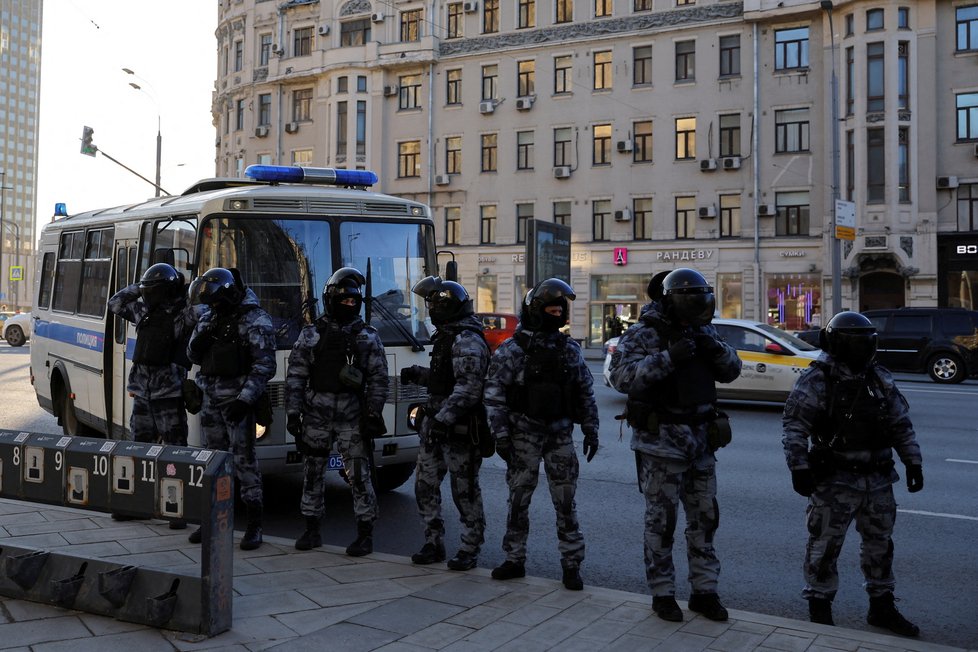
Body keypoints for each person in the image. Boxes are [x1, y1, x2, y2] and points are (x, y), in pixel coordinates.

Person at [608, 267, 741, 623]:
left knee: (705, 521)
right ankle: (663, 593)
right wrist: (669, 358)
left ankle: (704, 592)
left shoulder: (704, 330)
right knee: (661, 524)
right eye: (690, 298)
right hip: (661, 446)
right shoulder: (643, 333)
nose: (698, 305)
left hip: (701, 443)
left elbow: (731, 370)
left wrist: (714, 349)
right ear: (671, 301)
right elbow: (621, 378)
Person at [782, 311, 923, 636]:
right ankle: (820, 609)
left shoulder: (878, 378)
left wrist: (913, 462)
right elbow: (794, 426)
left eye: (866, 342)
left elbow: (900, 423)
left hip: (878, 479)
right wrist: (799, 467)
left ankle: (882, 606)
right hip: (835, 481)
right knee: (825, 548)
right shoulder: (818, 379)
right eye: (855, 342)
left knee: (880, 546)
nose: (862, 349)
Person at [484, 278, 599, 591]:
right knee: (518, 500)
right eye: (551, 308)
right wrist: (501, 434)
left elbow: (584, 390)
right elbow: (494, 393)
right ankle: (514, 558)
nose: (557, 313)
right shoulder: (514, 349)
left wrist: (591, 427)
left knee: (565, 502)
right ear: (536, 310)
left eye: (560, 309)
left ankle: (572, 565)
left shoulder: (568, 349)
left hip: (560, 434)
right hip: (524, 435)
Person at [285, 267, 389, 557]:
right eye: (342, 300)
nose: (348, 305)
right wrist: (294, 415)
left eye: (352, 301)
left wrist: (372, 415)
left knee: (358, 475)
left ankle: (365, 534)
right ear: (330, 300)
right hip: (316, 418)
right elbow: (296, 376)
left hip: (352, 419)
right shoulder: (311, 335)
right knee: (312, 473)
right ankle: (311, 529)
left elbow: (379, 380)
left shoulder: (367, 336)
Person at [400, 277, 491, 571]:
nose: (431, 310)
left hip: (460, 429)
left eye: (435, 305)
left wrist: (442, 420)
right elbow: (445, 380)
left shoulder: (467, 339)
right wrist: (419, 374)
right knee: (424, 486)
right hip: (436, 427)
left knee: (464, 491)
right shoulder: (448, 335)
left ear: (447, 307)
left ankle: (469, 547)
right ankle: (433, 542)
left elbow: (468, 388)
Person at [186, 267, 276, 550]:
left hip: (238, 402)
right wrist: (203, 336)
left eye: (215, 301)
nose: (212, 307)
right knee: (212, 462)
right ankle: (211, 519)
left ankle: (254, 525)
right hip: (211, 399)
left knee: (244, 463)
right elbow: (192, 353)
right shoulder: (211, 316)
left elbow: (264, 366)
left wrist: (244, 400)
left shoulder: (256, 319)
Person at [107, 263, 197, 528]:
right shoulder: (144, 310)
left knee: (175, 452)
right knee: (138, 448)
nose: (148, 294)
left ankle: (178, 509)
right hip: (143, 394)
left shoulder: (184, 313)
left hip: (168, 394)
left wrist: (183, 288)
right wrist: (142, 286)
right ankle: (137, 506)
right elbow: (114, 303)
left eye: (153, 290)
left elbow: (208, 311)